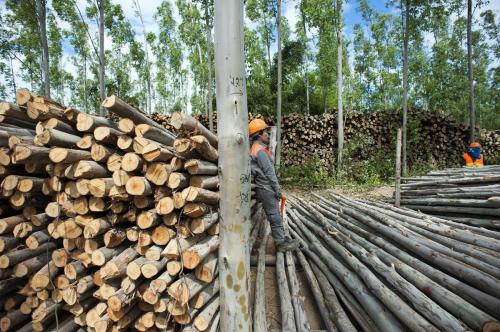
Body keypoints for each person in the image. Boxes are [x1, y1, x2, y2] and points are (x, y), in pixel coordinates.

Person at [249, 119, 300, 252]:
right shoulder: (259, 151)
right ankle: (281, 243)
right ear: (259, 134)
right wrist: (277, 189)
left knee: (275, 214)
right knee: (274, 216)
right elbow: (269, 172)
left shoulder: (258, 149)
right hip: (267, 188)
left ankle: (281, 237)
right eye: (265, 132)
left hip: (266, 187)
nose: (267, 134)